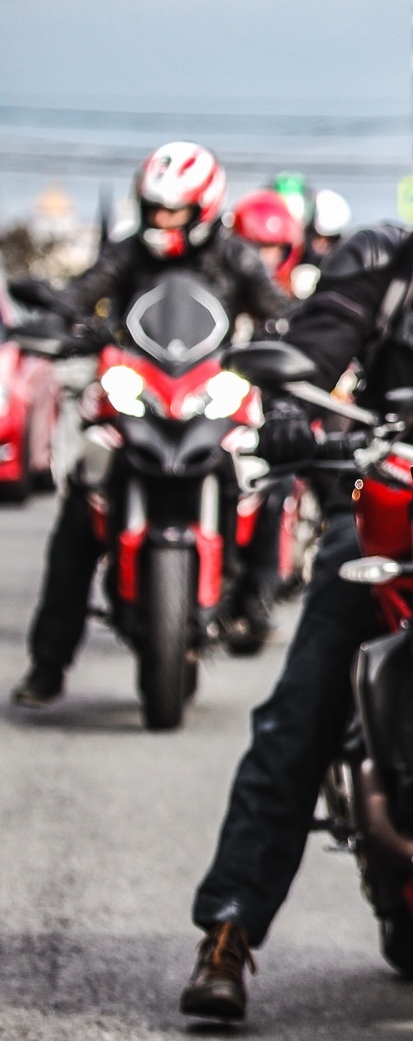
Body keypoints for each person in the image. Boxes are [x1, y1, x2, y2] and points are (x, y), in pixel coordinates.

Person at [178, 69, 413, 1021]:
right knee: (301, 704)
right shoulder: (386, 262)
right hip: (392, 501)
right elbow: (311, 355)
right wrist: (291, 412)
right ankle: (228, 930)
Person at [11, 142, 290, 708]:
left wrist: (288, 336)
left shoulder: (234, 256)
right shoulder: (128, 254)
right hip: (140, 389)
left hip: (210, 389)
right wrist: (58, 321)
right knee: (82, 507)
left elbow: (279, 309)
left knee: (270, 479)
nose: (163, 221)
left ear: (204, 208)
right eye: (154, 209)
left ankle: (255, 602)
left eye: (175, 210)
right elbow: (80, 294)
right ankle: (47, 665)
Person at [230, 189, 307, 297]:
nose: (268, 256)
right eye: (258, 246)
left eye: (274, 247)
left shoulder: (294, 289)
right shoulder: (226, 287)